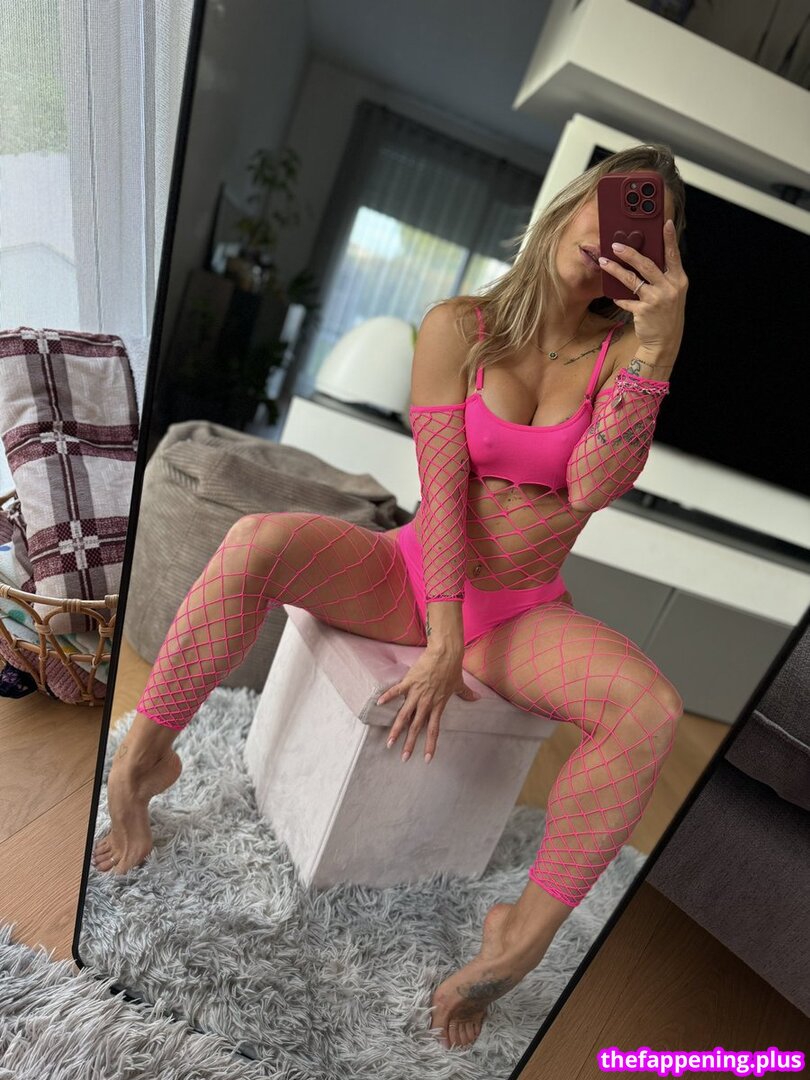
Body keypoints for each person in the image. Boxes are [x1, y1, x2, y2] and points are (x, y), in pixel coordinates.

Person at [93, 143, 688, 1051]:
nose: (615, 233)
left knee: (651, 710)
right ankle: (141, 766)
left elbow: (592, 486)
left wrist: (658, 351)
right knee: (256, 541)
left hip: (522, 611)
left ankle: (518, 941)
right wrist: (441, 638)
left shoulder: (622, 357)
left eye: (644, 224)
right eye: (610, 205)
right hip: (410, 573)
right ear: (571, 205)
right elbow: (443, 494)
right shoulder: (460, 325)